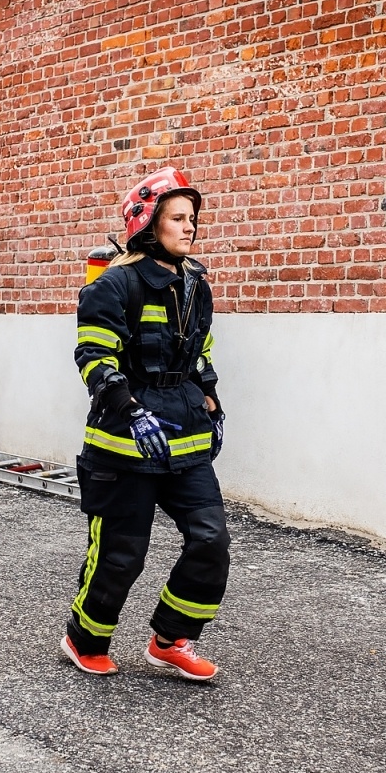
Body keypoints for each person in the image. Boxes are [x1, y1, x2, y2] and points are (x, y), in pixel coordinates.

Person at [60, 167, 229, 683]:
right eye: (177, 218)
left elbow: (199, 354)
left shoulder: (196, 286)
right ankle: (84, 638)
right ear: (147, 223)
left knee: (211, 541)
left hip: (185, 439)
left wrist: (213, 401)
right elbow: (93, 357)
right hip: (122, 444)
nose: (189, 226)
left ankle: (171, 639)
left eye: (192, 218)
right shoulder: (114, 285)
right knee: (120, 554)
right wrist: (131, 411)